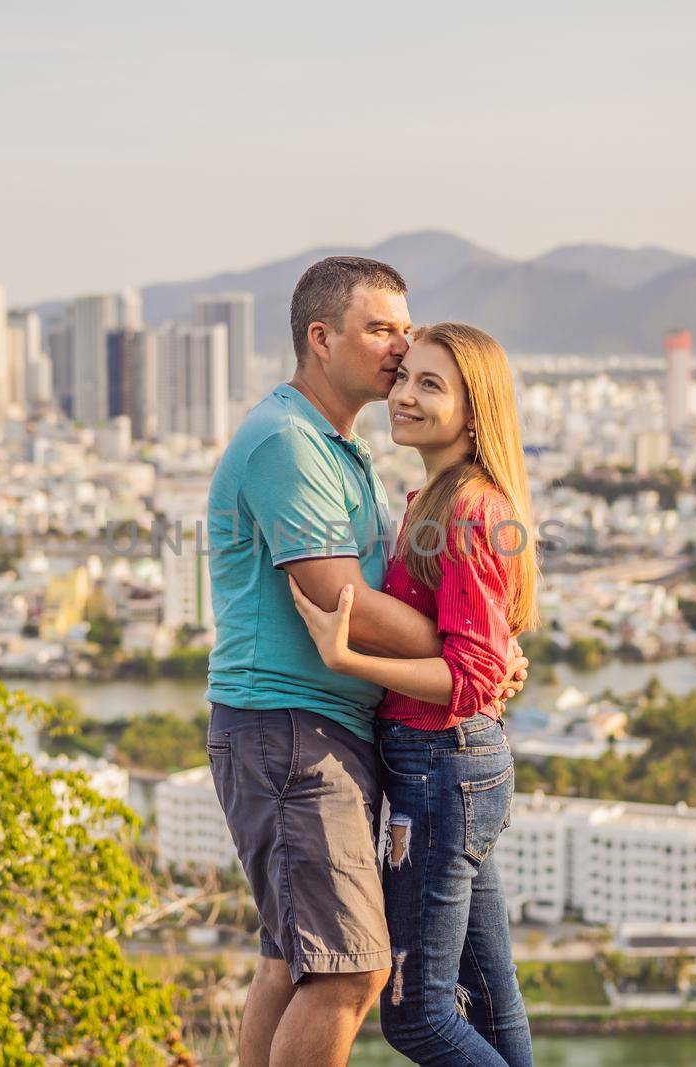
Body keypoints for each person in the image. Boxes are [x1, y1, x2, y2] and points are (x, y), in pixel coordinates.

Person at [205, 259, 529, 1067]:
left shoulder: (344, 450)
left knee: (299, 958)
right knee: (354, 970)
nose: (399, 348)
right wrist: (471, 656)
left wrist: (477, 657)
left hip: (334, 731)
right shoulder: (290, 442)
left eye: (406, 332)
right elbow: (335, 592)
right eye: (382, 330)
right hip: (291, 729)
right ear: (322, 338)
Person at [289, 322, 537, 1066]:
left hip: (442, 764)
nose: (404, 395)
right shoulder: (439, 499)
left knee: (419, 1014)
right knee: (491, 1001)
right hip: (455, 764)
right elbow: (484, 658)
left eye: (431, 384)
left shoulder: (467, 511)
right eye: (405, 378)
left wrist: (349, 654)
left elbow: (468, 677)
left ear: (475, 408)